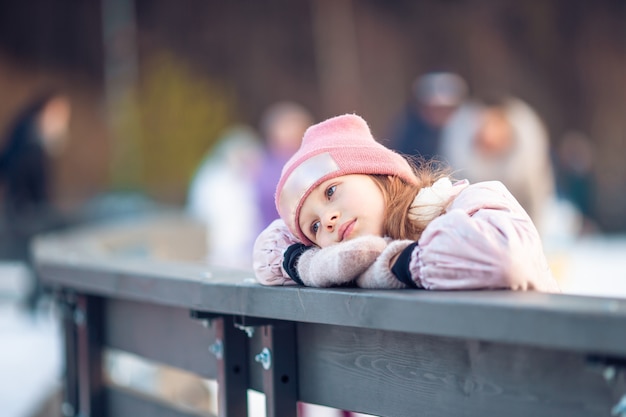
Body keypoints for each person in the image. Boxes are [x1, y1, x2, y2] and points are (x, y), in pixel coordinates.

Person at [252, 113, 560, 292]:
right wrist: (312, 265)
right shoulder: (365, 254)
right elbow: (269, 253)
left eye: (331, 192)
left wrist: (393, 264)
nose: (328, 220)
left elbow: (505, 261)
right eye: (314, 226)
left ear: (376, 172)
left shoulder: (469, 202)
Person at [439, 95, 556, 233]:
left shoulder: (528, 160)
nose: (489, 134)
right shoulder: (460, 152)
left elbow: (536, 199)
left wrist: (535, 237)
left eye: (495, 124)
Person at [254, 101, 314, 230]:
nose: (289, 134)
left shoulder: (311, 163)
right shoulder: (263, 166)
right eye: (285, 128)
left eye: (293, 128)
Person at [387, 72, 467, 160]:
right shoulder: (408, 133)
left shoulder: (472, 125)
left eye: (446, 108)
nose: (440, 113)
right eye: (434, 108)